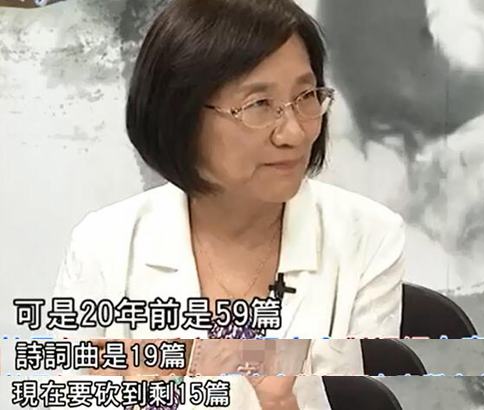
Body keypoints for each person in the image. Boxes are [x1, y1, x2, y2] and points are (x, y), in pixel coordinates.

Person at [53, 0, 406, 408]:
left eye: (306, 96)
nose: (294, 133)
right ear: (181, 114)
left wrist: (281, 403)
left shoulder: (369, 237)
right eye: (259, 105)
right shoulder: (103, 246)